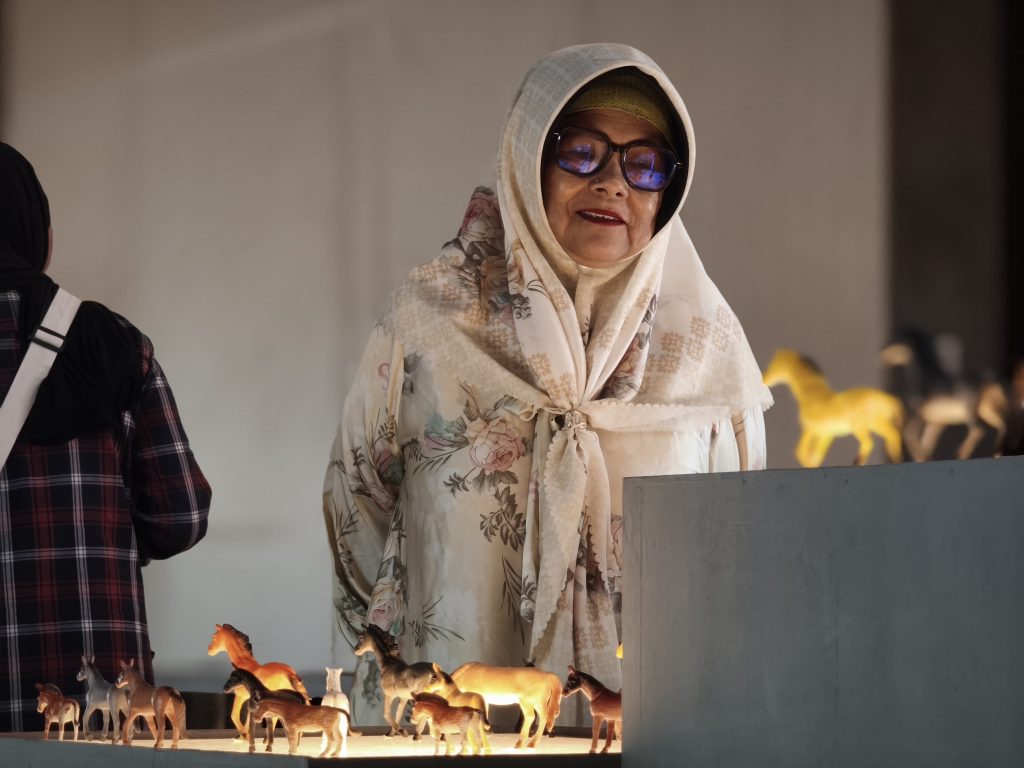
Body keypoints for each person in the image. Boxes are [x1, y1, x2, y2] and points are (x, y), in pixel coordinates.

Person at [322, 43, 771, 722]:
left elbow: (741, 555)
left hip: (656, 727)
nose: (613, 183)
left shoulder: (709, 361)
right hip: (449, 720)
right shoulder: (425, 331)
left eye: (645, 163)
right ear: (527, 160)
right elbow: (355, 514)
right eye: (581, 152)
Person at [0, 143, 211, 732]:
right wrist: (96, 540)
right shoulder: (109, 341)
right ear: (36, 229)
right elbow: (182, 516)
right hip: (93, 684)